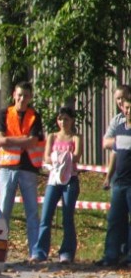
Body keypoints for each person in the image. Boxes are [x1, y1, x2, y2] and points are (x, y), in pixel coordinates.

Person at [0, 81, 45, 261]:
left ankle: (35, 252)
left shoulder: (34, 116)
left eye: (26, 96)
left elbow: (32, 142)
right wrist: (22, 140)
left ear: (30, 97)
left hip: (28, 168)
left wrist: (9, 140)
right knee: (3, 212)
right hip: (7, 168)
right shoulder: (4, 114)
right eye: (19, 95)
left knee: (32, 212)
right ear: (14, 95)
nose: (22, 99)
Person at [31, 106, 82, 263]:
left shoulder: (75, 138)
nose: (63, 122)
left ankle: (66, 252)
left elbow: (76, 156)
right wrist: (58, 158)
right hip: (54, 180)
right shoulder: (52, 137)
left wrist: (62, 157)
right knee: (46, 216)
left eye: (66, 119)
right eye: (60, 119)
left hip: (70, 180)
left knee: (67, 217)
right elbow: (46, 157)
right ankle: (40, 251)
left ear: (72, 120)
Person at [96, 94, 131, 267]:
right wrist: (108, 177)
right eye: (126, 108)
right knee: (114, 220)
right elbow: (114, 156)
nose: (128, 110)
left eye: (130, 107)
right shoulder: (119, 129)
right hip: (119, 183)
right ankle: (110, 256)